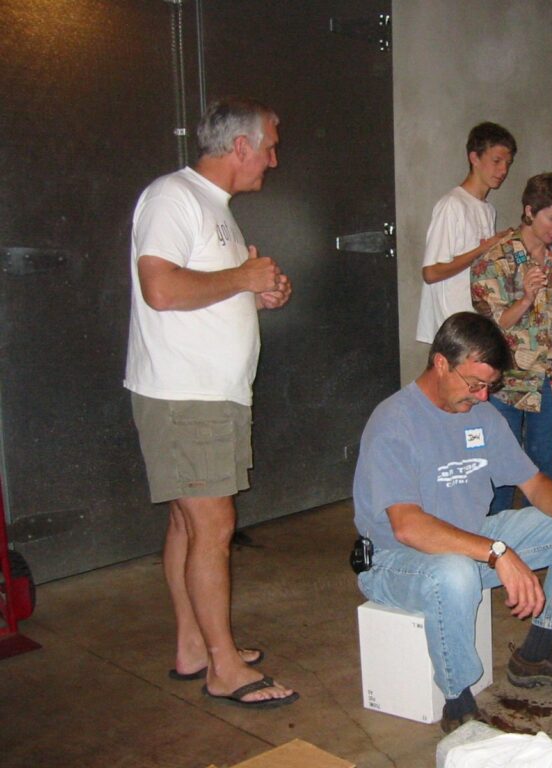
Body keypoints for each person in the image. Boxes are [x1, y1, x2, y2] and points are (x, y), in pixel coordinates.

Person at [353, 312, 552, 733]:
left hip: (474, 540)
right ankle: (458, 702)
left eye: (490, 386)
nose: (484, 396)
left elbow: (535, 483)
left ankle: (536, 653)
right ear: (440, 363)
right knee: (454, 572)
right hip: (396, 560)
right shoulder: (394, 421)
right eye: (475, 384)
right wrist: (497, 553)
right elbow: (408, 527)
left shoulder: (482, 414)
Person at [124, 97, 296, 707]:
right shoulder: (173, 197)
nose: (273, 161)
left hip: (206, 393)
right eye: (269, 147)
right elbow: (161, 289)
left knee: (188, 523)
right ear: (241, 147)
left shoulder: (214, 208)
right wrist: (242, 281)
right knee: (213, 526)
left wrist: (255, 296)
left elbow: (203, 290)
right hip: (185, 395)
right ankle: (224, 667)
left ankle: (195, 646)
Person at [471, 173, 552, 513]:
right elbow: (493, 324)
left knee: (543, 469)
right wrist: (525, 297)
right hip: (505, 380)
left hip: (551, 378)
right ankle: (499, 547)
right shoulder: (495, 259)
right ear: (529, 211)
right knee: (500, 471)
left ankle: (542, 539)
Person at [415, 122, 517, 343]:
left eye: (507, 164)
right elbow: (431, 273)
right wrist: (484, 248)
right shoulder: (452, 205)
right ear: (474, 158)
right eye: (496, 161)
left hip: (475, 322)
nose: (503, 171)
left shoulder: (488, 210)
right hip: (452, 325)